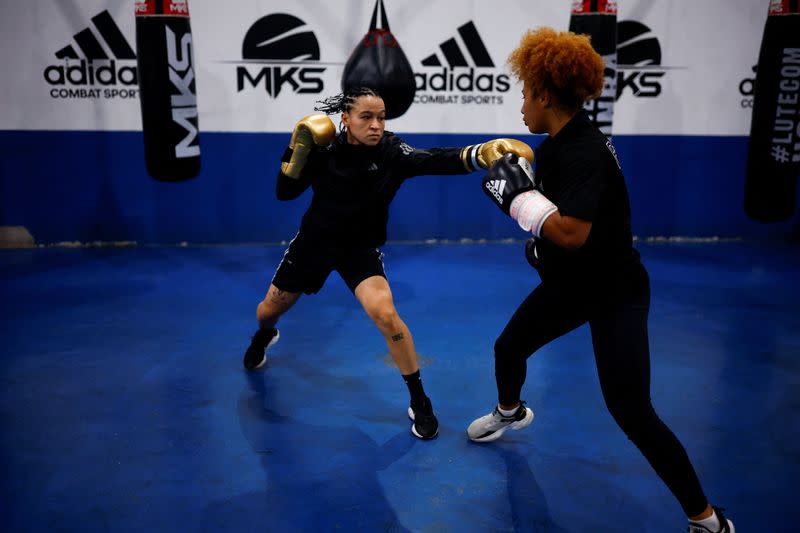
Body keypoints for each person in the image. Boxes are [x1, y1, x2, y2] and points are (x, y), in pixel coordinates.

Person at [467, 28, 735, 532]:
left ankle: (708, 519)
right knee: (508, 348)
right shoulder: (555, 145)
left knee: (631, 410)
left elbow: (570, 233)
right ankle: (510, 412)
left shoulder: (584, 151)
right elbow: (559, 226)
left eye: (525, 92)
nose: (521, 102)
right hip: (572, 285)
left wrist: (516, 201)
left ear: (545, 94)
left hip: (614, 292)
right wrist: (536, 240)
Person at [243, 86, 533, 440]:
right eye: (366, 117)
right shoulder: (324, 151)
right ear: (345, 119)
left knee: (386, 314)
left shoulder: (392, 152)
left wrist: (479, 153)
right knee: (268, 310)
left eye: (381, 117)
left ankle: (420, 401)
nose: (376, 125)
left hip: (359, 250)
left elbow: (435, 159)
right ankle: (264, 336)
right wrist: (298, 148)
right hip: (313, 246)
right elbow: (284, 193)